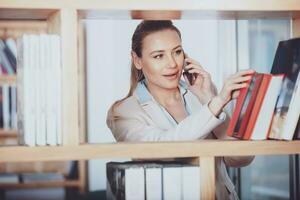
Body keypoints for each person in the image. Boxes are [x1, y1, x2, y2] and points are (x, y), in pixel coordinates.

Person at [106, 20, 254, 200]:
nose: (172, 64)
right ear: (137, 60)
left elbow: (242, 158)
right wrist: (217, 103)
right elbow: (163, 148)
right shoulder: (123, 112)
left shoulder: (202, 95)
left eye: (177, 52)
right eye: (158, 56)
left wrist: (207, 97)